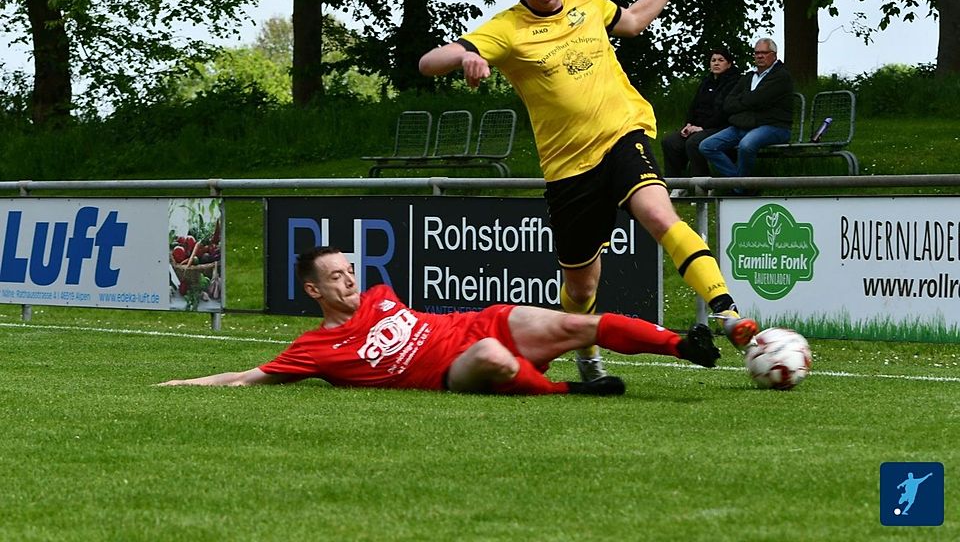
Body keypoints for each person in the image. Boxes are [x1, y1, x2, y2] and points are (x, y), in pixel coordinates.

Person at [418, 0, 758, 382]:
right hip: (567, 169)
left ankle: (728, 313)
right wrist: (464, 57)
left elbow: (635, 20)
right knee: (581, 285)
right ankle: (586, 357)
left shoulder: (587, 1)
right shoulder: (507, 29)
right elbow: (427, 62)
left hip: (623, 133)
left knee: (659, 215)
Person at [158, 247, 722, 395]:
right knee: (495, 362)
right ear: (314, 290)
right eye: (335, 277)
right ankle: (567, 389)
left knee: (578, 323)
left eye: (349, 271)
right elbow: (248, 378)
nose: (349, 280)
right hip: (455, 366)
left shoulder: (380, 293)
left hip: (482, 322)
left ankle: (681, 344)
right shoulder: (316, 349)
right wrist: (185, 383)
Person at [698, 37, 794, 195]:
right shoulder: (749, 77)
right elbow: (728, 103)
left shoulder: (781, 77)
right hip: (745, 125)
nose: (759, 56)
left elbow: (757, 100)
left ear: (774, 55)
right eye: (757, 53)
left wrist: (744, 102)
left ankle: (739, 188)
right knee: (707, 145)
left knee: (746, 145)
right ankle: (742, 184)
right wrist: (747, 102)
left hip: (774, 127)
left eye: (764, 53)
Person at [660, 47, 740, 194]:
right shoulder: (706, 82)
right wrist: (688, 125)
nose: (716, 63)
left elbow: (724, 112)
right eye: (713, 60)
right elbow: (694, 106)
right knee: (670, 142)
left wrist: (701, 128)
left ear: (729, 64)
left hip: (720, 127)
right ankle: (678, 185)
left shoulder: (734, 83)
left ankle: (703, 185)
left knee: (694, 142)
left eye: (721, 60)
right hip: (697, 127)